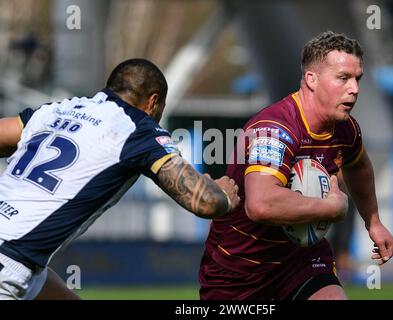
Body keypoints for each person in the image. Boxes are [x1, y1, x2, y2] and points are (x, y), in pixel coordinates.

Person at [0, 58, 240, 300]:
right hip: (9, 261)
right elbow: (206, 201)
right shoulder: (138, 129)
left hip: (20, 260)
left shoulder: (58, 109)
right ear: (153, 101)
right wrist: (223, 196)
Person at [199, 31, 393, 300]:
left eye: (357, 78)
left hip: (301, 260)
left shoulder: (345, 129)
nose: (355, 89)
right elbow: (261, 204)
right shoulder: (274, 129)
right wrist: (330, 208)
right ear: (311, 80)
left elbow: (358, 166)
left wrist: (373, 222)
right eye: (343, 78)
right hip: (240, 270)